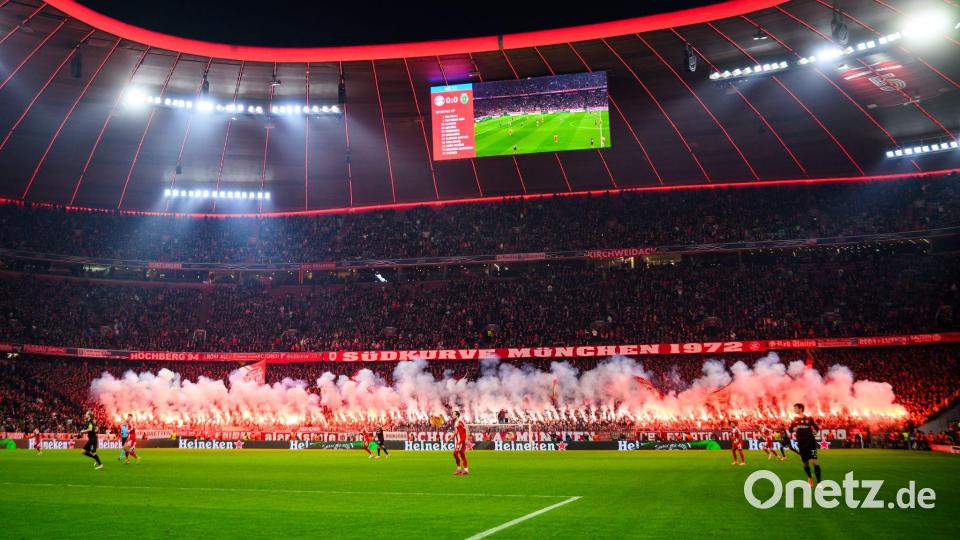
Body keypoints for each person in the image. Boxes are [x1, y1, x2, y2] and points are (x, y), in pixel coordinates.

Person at [789, 403, 821, 487]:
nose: (794, 410)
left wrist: (815, 431)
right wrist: (793, 429)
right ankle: (810, 477)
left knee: (814, 462)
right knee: (805, 463)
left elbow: (816, 428)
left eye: (795, 408)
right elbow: (789, 430)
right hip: (801, 444)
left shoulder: (809, 419)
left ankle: (819, 483)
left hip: (811, 443)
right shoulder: (794, 420)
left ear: (801, 409)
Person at [452, 411, 469, 475]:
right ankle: (465, 470)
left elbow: (467, 428)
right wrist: (450, 438)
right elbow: (455, 432)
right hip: (458, 441)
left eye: (453, 414)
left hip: (462, 440)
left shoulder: (460, 421)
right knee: (461, 454)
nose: (452, 415)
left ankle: (459, 469)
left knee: (455, 453)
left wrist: (466, 439)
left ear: (457, 415)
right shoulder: (455, 423)